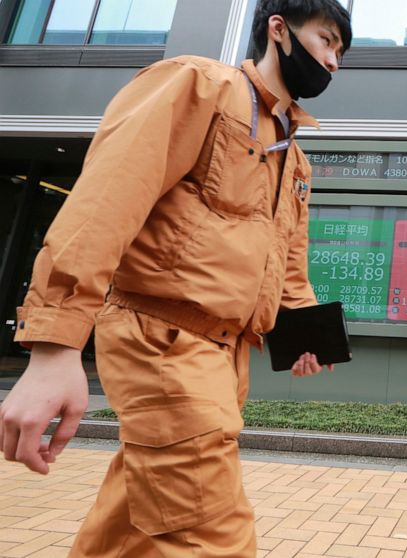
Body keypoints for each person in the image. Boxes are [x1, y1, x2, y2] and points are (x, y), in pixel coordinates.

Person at [0, 0, 351, 554]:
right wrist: (52, 348)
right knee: (212, 536)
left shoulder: (295, 158)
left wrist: (302, 328)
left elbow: (286, 261)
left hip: (225, 359)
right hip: (162, 342)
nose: (333, 61)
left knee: (137, 526)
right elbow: (104, 205)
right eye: (327, 40)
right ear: (279, 30)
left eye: (341, 52)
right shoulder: (199, 86)